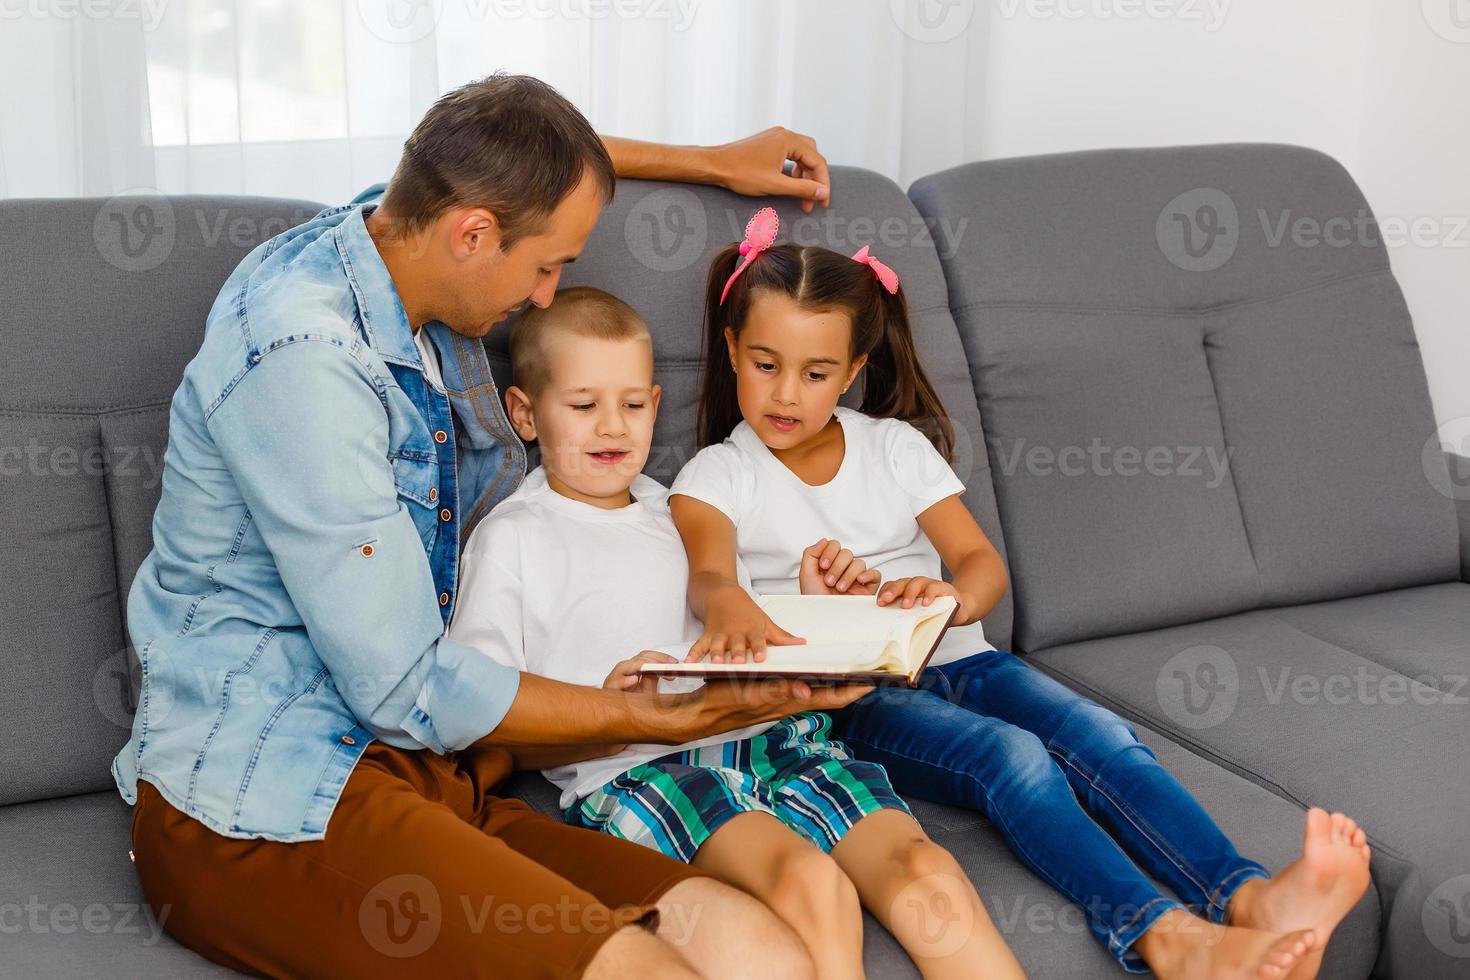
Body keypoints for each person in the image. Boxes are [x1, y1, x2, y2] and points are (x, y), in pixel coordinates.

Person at [116, 75, 866, 978]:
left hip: (434, 772)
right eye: (546, 266)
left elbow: (506, 153)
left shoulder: (396, 228)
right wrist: (646, 718)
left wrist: (711, 162)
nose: (547, 295)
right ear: (471, 235)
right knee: (644, 970)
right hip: (263, 796)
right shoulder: (305, 360)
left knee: (760, 950)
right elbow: (405, 687)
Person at [666, 208, 1372, 980]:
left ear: (856, 366)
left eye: (816, 372)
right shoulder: (719, 474)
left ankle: (1246, 900)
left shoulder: (893, 447)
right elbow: (709, 576)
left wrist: (941, 598)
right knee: (1014, 756)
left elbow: (979, 565)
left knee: (1101, 735)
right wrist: (731, 605)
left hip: (960, 657)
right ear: (731, 347)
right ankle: (1167, 937)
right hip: (854, 699)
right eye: (765, 364)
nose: (786, 394)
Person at [446, 287, 1026, 979]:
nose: (612, 427)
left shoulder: (685, 508)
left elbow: (742, 630)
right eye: (583, 406)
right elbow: (478, 710)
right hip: (642, 766)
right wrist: (608, 705)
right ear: (525, 413)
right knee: (811, 884)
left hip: (774, 735)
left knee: (926, 871)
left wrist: (817, 616)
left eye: (632, 405)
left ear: (655, 407)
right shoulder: (511, 538)